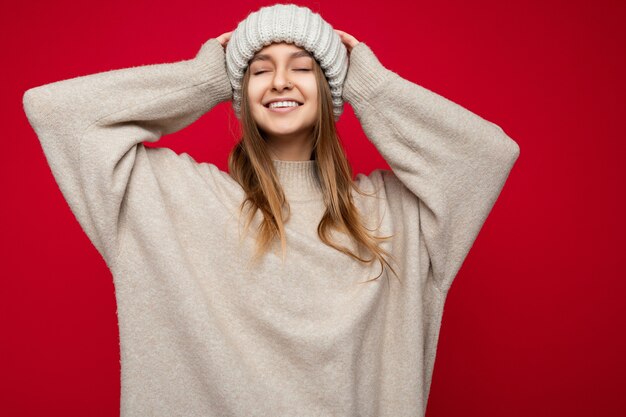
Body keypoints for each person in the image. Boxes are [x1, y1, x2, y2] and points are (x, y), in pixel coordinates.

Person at [22, 3, 520, 417]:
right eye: (259, 69)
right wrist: (203, 80)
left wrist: (372, 88)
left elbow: (487, 157)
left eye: (304, 67)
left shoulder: (393, 216)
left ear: (331, 87)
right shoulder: (174, 200)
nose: (281, 80)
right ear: (240, 91)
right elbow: (55, 112)